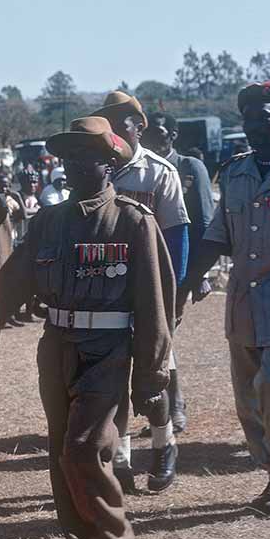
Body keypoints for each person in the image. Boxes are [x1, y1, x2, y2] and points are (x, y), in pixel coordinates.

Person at [0, 116, 174, 539]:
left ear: (108, 161)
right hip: (57, 349)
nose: (72, 164)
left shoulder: (132, 221)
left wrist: (152, 377)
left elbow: (155, 304)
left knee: (85, 449)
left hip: (108, 352)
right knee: (60, 455)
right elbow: (11, 283)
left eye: (83, 154)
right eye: (66, 156)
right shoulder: (49, 222)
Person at [177, 81, 270, 516]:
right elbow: (216, 237)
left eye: (264, 116)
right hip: (243, 305)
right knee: (248, 402)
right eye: (248, 118)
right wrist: (179, 286)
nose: (254, 126)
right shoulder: (236, 172)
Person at [90, 91, 187, 492]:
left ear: (139, 126)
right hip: (109, 291)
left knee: (152, 378)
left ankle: (164, 444)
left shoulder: (159, 172)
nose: (113, 131)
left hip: (152, 292)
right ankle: (124, 457)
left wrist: (172, 298)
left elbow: (177, 237)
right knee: (115, 379)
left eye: (121, 123)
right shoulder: (99, 169)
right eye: (107, 123)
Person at [142, 111, 216, 433]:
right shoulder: (144, 170)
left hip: (179, 270)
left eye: (158, 132)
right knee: (156, 340)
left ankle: (174, 406)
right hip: (147, 270)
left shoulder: (189, 167)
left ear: (172, 134)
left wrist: (198, 275)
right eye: (147, 132)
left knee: (163, 339)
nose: (151, 139)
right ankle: (165, 407)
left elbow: (204, 224)